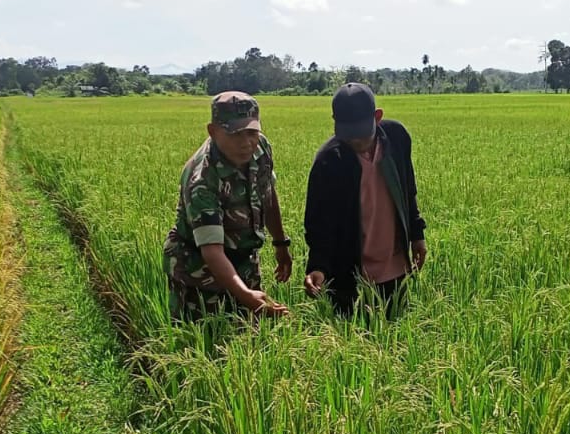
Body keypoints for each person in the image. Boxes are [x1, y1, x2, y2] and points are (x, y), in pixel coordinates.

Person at [164, 91, 293, 322]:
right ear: (213, 132)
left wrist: (280, 243)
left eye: (252, 132)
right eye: (235, 134)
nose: (247, 143)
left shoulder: (260, 147)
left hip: (243, 257)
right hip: (199, 271)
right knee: (206, 338)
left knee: (250, 334)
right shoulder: (202, 180)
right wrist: (245, 295)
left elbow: (267, 194)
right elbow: (212, 251)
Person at [303, 83, 427, 319]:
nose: (356, 142)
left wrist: (416, 234)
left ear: (377, 117)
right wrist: (318, 266)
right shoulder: (329, 161)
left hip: (393, 265)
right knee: (350, 341)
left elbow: (407, 191)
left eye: (362, 134)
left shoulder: (397, 138)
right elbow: (318, 223)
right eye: (348, 135)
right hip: (348, 271)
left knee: (396, 335)